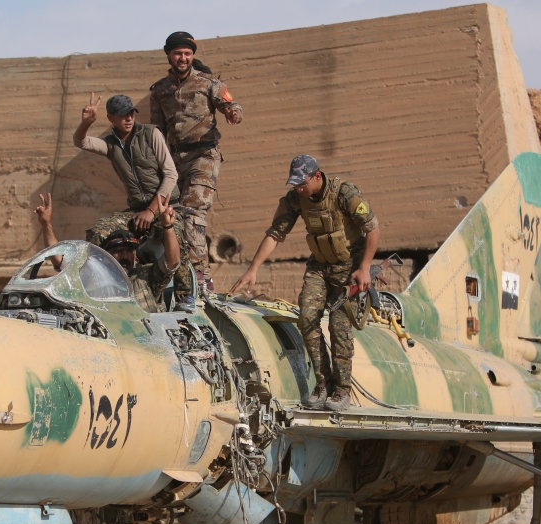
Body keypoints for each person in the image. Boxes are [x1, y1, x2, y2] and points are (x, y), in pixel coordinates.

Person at [230, 155, 380, 411]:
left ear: (317, 176)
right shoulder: (295, 199)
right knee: (307, 319)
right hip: (320, 267)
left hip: (349, 269)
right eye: (295, 184)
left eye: (302, 183)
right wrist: (252, 269)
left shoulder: (344, 193)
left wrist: (365, 268)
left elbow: (373, 228)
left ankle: (342, 390)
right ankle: (323, 383)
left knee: (338, 326)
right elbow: (275, 233)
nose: (299, 188)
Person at [74, 93, 194, 310]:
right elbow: (80, 141)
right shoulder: (111, 144)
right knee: (97, 232)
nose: (128, 119)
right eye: (122, 115)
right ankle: (99, 286)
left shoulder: (151, 134)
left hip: (166, 207)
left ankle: (185, 296)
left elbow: (171, 175)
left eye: (131, 113)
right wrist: (86, 123)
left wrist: (152, 210)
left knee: (176, 235)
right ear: (111, 118)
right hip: (136, 210)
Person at [150, 31, 243, 301]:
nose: (183, 58)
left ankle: (201, 279)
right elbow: (157, 130)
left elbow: (231, 102)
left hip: (204, 155)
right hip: (174, 160)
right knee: (171, 217)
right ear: (169, 55)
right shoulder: (159, 90)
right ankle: (183, 277)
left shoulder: (208, 82)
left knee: (192, 213)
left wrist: (232, 113)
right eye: (178, 53)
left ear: (193, 55)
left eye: (188, 54)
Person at [35, 193, 180, 314]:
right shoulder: (92, 278)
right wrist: (46, 224)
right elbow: (59, 259)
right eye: (118, 251)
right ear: (105, 257)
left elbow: (172, 262)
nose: (124, 256)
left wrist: (167, 225)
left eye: (129, 251)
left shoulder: (145, 277)